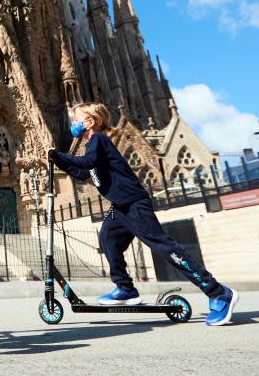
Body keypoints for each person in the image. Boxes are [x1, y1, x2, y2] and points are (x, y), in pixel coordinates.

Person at [47, 102, 240, 326]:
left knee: (165, 247)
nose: (73, 124)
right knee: (108, 238)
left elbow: (87, 163)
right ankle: (125, 289)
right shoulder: (92, 146)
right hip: (120, 206)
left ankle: (219, 293)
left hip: (134, 203)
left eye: (76, 119)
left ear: (90, 122)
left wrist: (60, 154)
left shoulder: (99, 140)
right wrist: (58, 159)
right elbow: (82, 172)